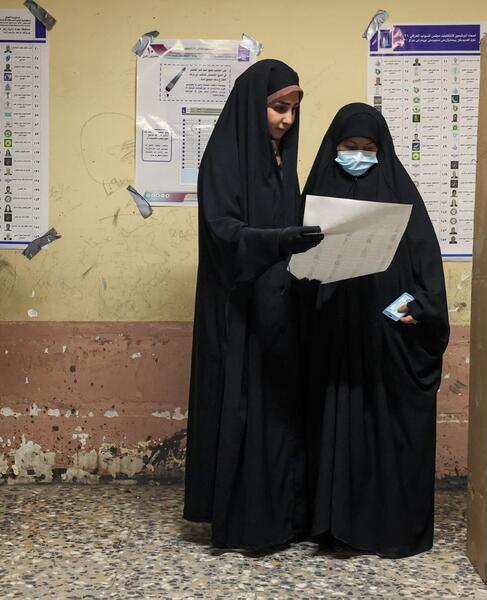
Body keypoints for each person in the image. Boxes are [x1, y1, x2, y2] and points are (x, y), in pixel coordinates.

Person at [183, 59, 323, 551]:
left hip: (277, 308)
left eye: (293, 110)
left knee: (278, 410)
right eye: (277, 107)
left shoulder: (279, 161)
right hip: (238, 309)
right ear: (253, 105)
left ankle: (282, 515)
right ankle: (245, 521)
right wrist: (279, 239)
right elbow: (223, 233)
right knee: (245, 409)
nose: (287, 119)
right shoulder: (224, 157)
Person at [302, 103, 449, 558]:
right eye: (349, 147)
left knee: (384, 430)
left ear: (383, 151)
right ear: (334, 149)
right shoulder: (317, 197)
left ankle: (384, 525)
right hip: (332, 343)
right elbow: (291, 267)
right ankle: (328, 525)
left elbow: (427, 270)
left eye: (369, 149)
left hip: (389, 340)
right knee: (329, 429)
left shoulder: (401, 197)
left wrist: (414, 308)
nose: (359, 156)